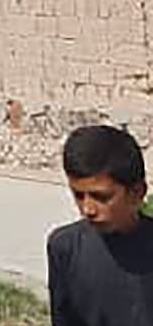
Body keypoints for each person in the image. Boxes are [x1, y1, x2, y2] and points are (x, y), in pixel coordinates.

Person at [47, 125, 153, 326]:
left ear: (137, 192)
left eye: (101, 197)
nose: (88, 209)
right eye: (78, 195)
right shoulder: (65, 248)